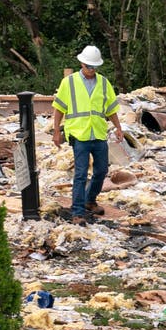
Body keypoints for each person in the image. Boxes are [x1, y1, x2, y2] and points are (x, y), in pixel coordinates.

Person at [51, 45, 124, 224]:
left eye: (94, 67)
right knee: (81, 174)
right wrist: (56, 132)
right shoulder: (69, 82)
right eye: (88, 66)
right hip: (79, 135)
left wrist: (118, 128)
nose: (91, 70)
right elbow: (59, 108)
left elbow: (111, 109)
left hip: (98, 134)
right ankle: (77, 212)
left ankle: (90, 200)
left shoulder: (104, 83)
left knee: (101, 171)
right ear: (82, 63)